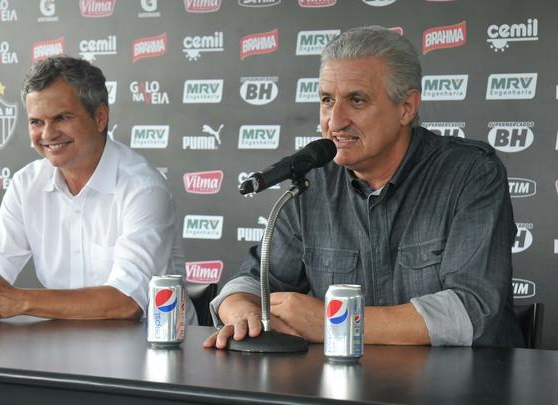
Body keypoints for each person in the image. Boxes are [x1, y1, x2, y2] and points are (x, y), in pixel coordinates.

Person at [204, 26, 523, 348]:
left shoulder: (470, 173)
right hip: (339, 387)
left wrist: (332, 320)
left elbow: (473, 311)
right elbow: (252, 283)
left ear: (406, 107)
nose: (335, 120)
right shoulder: (313, 180)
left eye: (356, 100)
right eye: (327, 100)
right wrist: (244, 310)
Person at [0, 56, 196, 323]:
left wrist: (19, 300)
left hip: (151, 352)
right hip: (63, 348)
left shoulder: (143, 188)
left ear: (100, 117)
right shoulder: (26, 184)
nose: (47, 134)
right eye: (36, 122)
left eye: (62, 118)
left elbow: (127, 303)